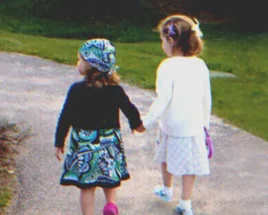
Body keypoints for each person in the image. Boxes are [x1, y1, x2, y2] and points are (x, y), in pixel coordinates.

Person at [54, 38, 145, 215]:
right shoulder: (115, 90)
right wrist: (137, 125)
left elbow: (66, 116)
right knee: (109, 178)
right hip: (108, 142)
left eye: (80, 60)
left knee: (87, 186)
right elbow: (129, 109)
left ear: (91, 65)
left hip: (84, 143)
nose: (78, 63)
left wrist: (59, 141)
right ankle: (111, 205)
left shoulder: (77, 90)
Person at [142, 14, 212, 215]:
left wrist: (146, 122)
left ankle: (166, 189)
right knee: (188, 166)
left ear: (171, 41)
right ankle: (185, 203)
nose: (162, 45)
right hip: (193, 126)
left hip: (171, 125)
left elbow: (162, 99)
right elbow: (206, 97)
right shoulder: (200, 65)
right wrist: (205, 124)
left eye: (163, 41)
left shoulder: (167, 66)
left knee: (165, 156)